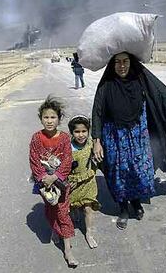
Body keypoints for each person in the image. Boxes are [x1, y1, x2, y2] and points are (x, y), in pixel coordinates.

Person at [92, 52, 166, 230]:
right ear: (112, 65)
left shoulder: (140, 81)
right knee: (119, 173)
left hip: (138, 135)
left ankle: (136, 203)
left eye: (125, 61)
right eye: (117, 62)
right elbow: (97, 112)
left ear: (131, 63)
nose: (122, 66)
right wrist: (96, 140)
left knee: (138, 170)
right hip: (114, 137)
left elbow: (163, 98)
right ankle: (122, 209)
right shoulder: (106, 85)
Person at [29, 95, 78, 267]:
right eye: (46, 117)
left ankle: (68, 250)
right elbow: (34, 159)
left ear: (59, 119)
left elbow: (67, 160)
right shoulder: (36, 138)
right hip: (44, 184)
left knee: (63, 212)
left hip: (61, 182)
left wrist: (55, 176)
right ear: (41, 118)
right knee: (51, 209)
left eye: (53, 117)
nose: (49, 121)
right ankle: (55, 230)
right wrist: (43, 178)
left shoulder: (64, 138)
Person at [67, 115, 100, 249]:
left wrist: (97, 158)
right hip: (73, 183)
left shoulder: (92, 144)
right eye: (77, 132)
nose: (81, 135)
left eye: (84, 131)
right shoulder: (67, 146)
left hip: (88, 181)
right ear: (72, 132)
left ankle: (89, 233)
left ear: (88, 131)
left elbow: (96, 162)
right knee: (73, 206)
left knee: (88, 208)